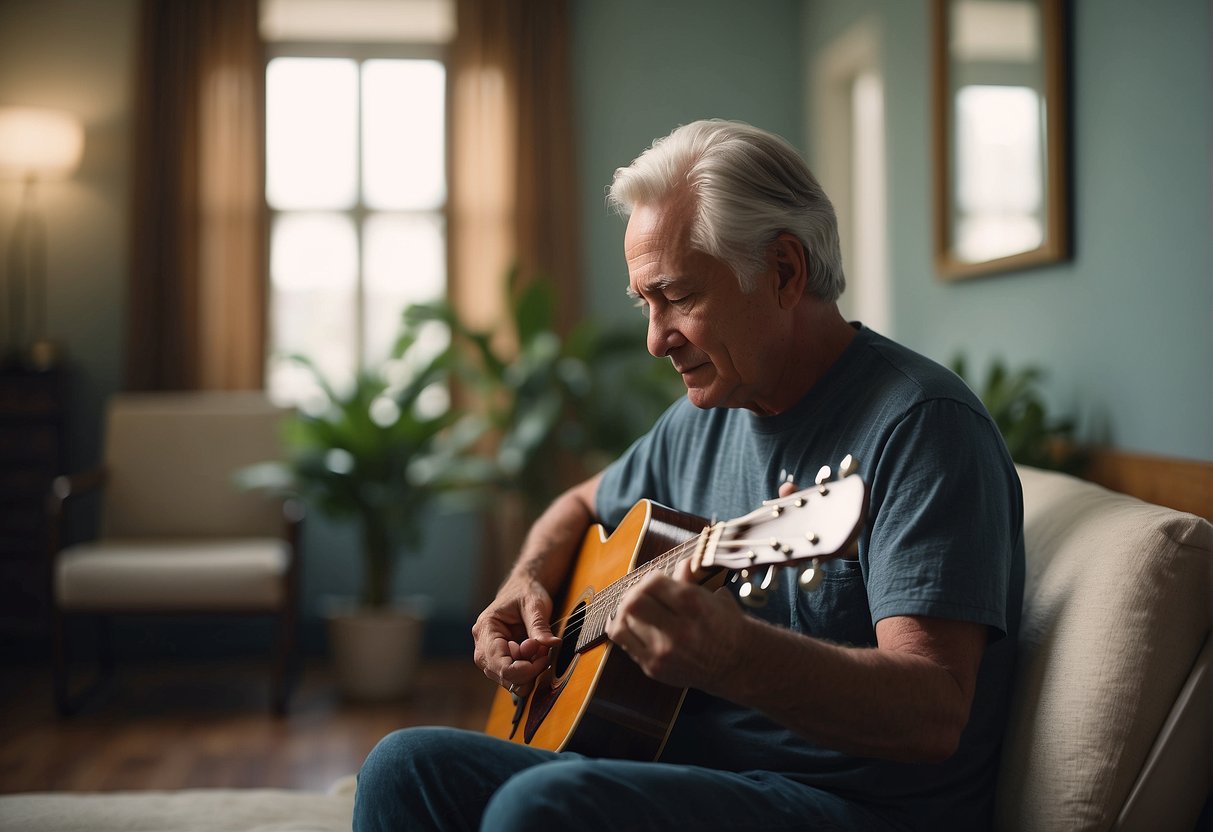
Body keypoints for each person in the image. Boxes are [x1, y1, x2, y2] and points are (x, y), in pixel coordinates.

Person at [353, 119, 1024, 831]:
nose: (654, 338)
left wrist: (735, 657)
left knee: (538, 806)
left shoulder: (921, 425)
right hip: (688, 776)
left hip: (852, 808)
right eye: (645, 303)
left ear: (784, 273)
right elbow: (581, 502)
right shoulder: (703, 415)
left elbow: (933, 714)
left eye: (676, 296)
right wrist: (526, 580)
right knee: (403, 766)